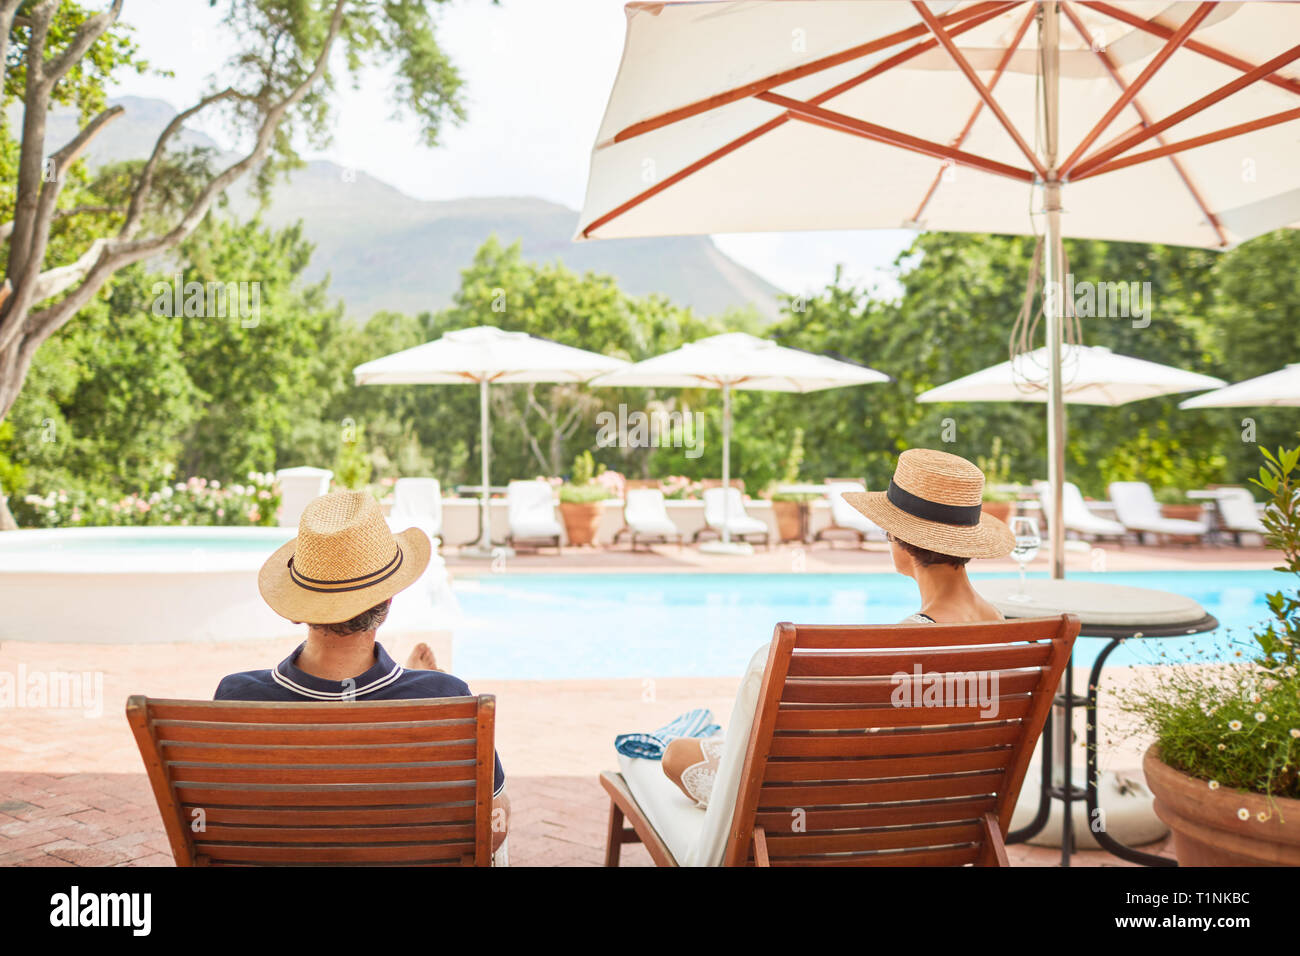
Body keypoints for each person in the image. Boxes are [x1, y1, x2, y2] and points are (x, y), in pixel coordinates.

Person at [662, 448, 1015, 804]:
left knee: (677, 754)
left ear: (901, 542)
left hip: (852, 801)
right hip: (950, 802)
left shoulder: (907, 641)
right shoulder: (1001, 627)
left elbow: (849, 747)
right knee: (713, 748)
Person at [215, 490, 509, 851]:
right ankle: (405, 689)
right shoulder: (448, 696)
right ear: (387, 602)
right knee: (424, 693)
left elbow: (215, 825)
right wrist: (426, 687)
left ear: (295, 612)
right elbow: (494, 827)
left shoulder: (236, 696)